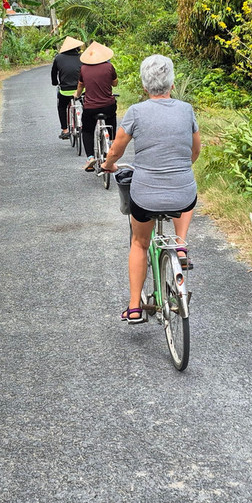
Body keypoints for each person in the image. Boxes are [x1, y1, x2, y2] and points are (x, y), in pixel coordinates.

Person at [102, 54, 200, 323]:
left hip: (145, 197)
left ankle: (134, 307)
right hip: (182, 193)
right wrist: (181, 165)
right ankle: (180, 245)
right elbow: (195, 151)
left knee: (139, 242)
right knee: (186, 196)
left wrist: (109, 165)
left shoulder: (135, 112)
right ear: (172, 83)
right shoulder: (186, 110)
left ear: (145, 86)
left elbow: (116, 149)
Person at [75, 41, 118, 170]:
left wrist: (76, 95)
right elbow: (115, 84)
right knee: (112, 116)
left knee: (87, 130)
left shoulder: (83, 68)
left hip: (90, 108)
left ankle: (90, 158)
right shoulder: (109, 67)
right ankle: (111, 142)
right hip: (108, 106)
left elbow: (80, 86)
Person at [50, 36, 84, 139]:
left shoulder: (58, 58)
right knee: (86, 105)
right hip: (80, 89)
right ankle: (85, 124)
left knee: (61, 107)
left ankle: (65, 130)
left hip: (65, 90)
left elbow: (54, 73)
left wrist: (55, 82)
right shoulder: (82, 57)